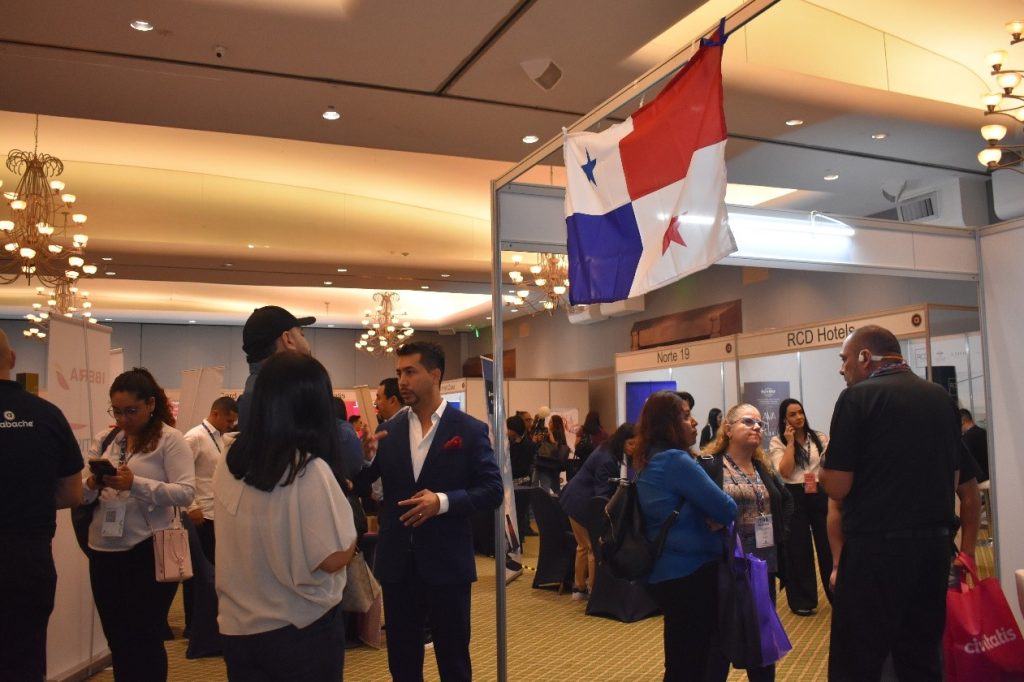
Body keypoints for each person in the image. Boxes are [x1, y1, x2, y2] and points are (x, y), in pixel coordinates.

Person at [356, 341, 502, 682]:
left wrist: (443, 502)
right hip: (397, 565)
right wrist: (362, 456)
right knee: (403, 664)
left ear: (435, 375)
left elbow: (492, 490)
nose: (402, 381)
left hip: (447, 564)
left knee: (453, 661)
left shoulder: (468, 429)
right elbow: (361, 485)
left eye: (410, 372)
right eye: (398, 373)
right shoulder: (387, 432)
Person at [820, 325, 959, 681]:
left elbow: (837, 486)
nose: (841, 369)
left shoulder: (857, 398)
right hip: (933, 550)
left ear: (865, 357)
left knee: (858, 661)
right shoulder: (940, 398)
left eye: (844, 359)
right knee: (921, 657)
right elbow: (956, 478)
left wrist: (822, 470)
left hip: (876, 553)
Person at [214, 351, 358, 681]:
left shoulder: (229, 457)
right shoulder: (307, 470)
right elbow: (333, 557)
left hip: (238, 628)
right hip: (299, 630)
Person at [82, 368, 195, 681]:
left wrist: (137, 484)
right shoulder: (107, 438)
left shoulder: (170, 440)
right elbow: (80, 493)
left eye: (131, 411)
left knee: (144, 638)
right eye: (117, 411)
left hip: (147, 548)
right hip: (102, 548)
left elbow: (186, 492)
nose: (123, 419)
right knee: (117, 638)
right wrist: (94, 481)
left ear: (150, 404)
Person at [634, 392, 737, 682]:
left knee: (681, 658)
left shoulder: (649, 458)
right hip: (690, 575)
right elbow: (727, 508)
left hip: (667, 574)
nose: (693, 422)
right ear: (669, 423)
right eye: (685, 415)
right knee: (691, 661)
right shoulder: (675, 461)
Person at [0, 330, 83, 681]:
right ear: (13, 360)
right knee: (26, 655)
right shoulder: (47, 415)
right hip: (28, 558)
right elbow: (72, 494)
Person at [703, 403, 792, 682]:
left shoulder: (762, 466)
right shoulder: (710, 466)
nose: (756, 427)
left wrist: (781, 535)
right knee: (719, 638)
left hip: (762, 564)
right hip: (725, 566)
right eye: (747, 422)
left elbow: (785, 501)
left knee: (762, 634)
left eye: (759, 424)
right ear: (727, 429)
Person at [559, 423, 637, 601]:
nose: (634, 448)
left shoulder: (607, 450)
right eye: (631, 444)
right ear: (622, 441)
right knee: (594, 548)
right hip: (580, 503)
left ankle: (579, 589)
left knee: (583, 547)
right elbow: (602, 494)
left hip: (574, 500)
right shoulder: (607, 459)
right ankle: (594, 591)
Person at [768, 397, 831, 615]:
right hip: (793, 494)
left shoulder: (820, 438)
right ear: (784, 419)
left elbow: (828, 465)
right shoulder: (777, 442)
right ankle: (803, 600)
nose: (798, 417)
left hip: (819, 492)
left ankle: (837, 593)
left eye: (800, 412)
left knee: (828, 545)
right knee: (798, 548)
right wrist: (791, 442)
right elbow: (784, 471)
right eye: (792, 414)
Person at [237, 305, 315, 427]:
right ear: (288, 339)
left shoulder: (260, 392)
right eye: (302, 334)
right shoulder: (272, 400)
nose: (307, 343)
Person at [183, 396, 238, 564]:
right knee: (200, 569)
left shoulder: (222, 438)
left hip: (216, 513)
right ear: (216, 414)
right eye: (229, 420)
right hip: (200, 514)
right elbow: (181, 475)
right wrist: (191, 507)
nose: (231, 425)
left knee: (213, 566)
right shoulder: (194, 437)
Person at [534, 413, 569, 494]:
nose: (549, 424)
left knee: (544, 486)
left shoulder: (552, 433)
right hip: (553, 465)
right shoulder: (561, 434)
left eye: (551, 422)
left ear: (555, 424)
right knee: (553, 487)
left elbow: (553, 447)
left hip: (545, 463)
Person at [959, 408, 989, 483]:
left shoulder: (965, 439)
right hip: (989, 477)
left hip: (978, 481)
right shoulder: (984, 432)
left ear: (962, 421)